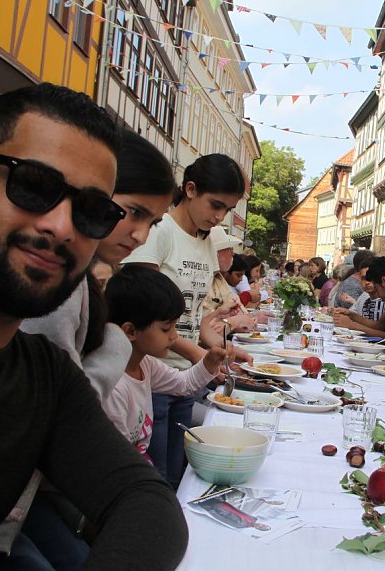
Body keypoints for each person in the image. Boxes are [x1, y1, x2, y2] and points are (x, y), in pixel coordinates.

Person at [0, 83, 185, 569]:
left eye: (92, 212)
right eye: (33, 185)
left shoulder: (44, 377)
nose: (61, 226)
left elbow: (146, 501)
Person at [9, 127, 177, 569]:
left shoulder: (81, 282)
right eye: (133, 213)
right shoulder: (60, 286)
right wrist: (117, 346)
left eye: (152, 224)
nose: (140, 235)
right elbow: (58, 409)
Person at [122, 153, 246, 488]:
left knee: (178, 472)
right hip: (152, 371)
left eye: (227, 210)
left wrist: (213, 340)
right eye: (215, 205)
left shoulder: (205, 240)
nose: (219, 217)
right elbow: (140, 308)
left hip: (184, 376)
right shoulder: (160, 232)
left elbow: (194, 312)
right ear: (190, 189)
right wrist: (196, 353)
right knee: (155, 475)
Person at [103, 265, 228, 457]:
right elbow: (115, 459)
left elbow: (183, 384)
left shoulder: (145, 364)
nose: (174, 336)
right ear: (130, 331)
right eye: (166, 328)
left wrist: (210, 361)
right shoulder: (114, 387)